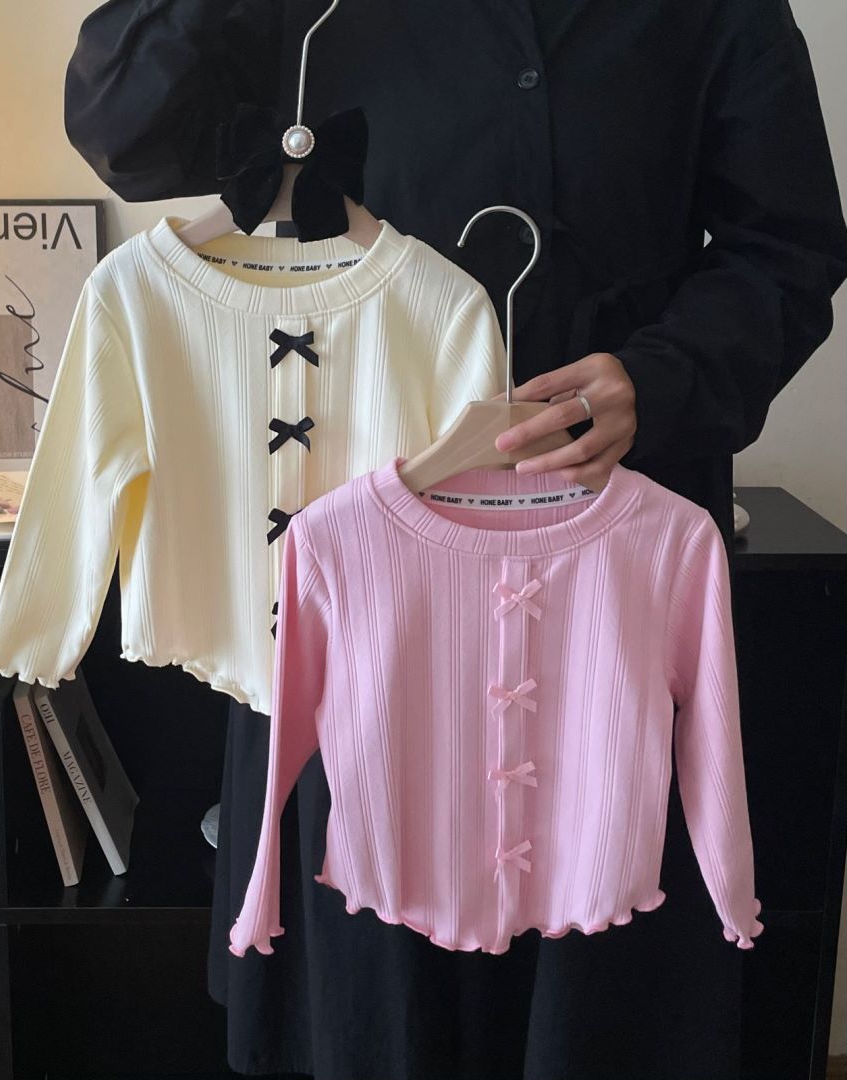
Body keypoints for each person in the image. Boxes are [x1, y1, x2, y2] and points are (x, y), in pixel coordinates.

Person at [63, 3, 847, 1078]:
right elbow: (129, 132)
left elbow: (789, 245)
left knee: (602, 977)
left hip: (613, 555)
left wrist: (663, 380)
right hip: (357, 564)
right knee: (367, 998)